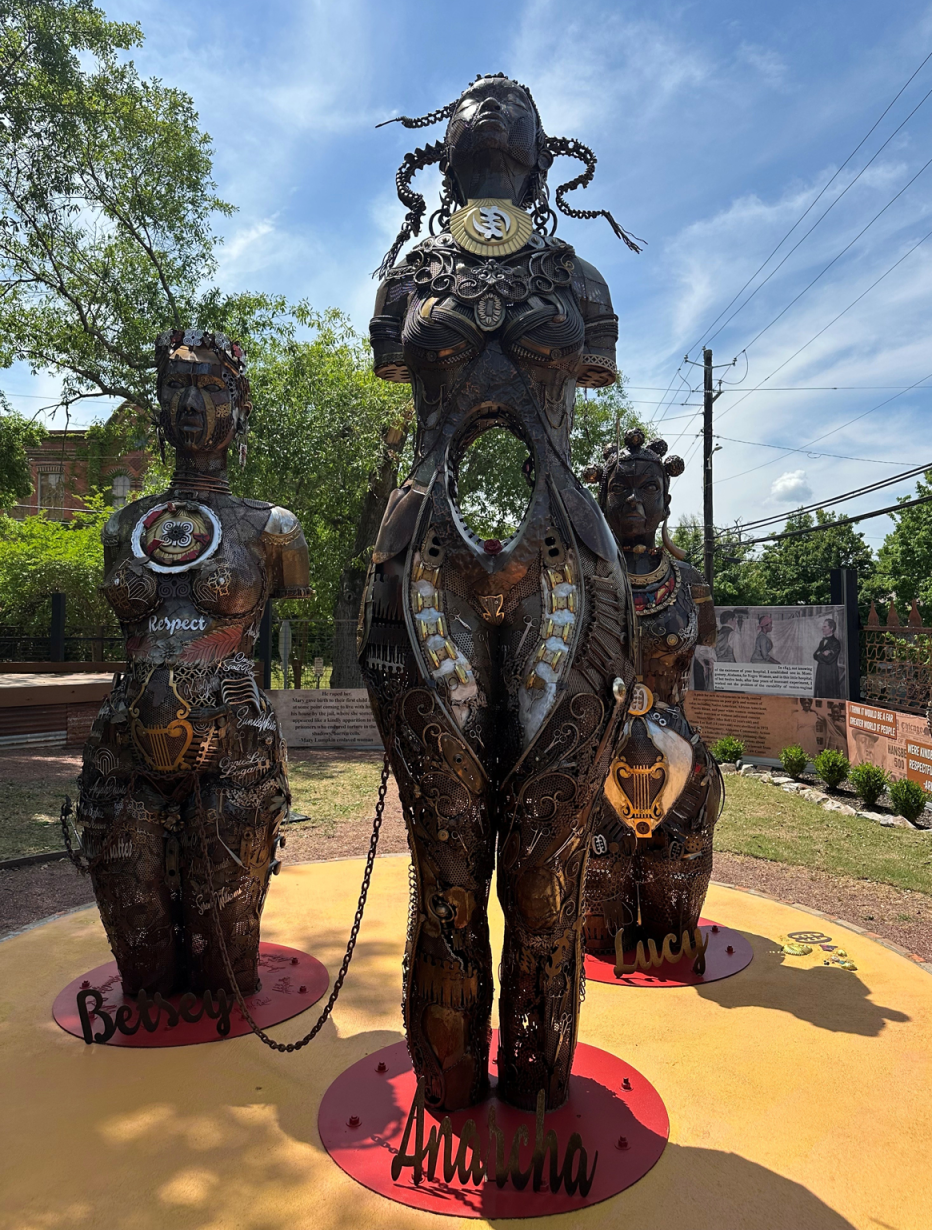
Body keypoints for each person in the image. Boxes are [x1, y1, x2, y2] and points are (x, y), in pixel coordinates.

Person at [361, 74, 638, 1111]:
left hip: (565, 567)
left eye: (511, 98)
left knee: (544, 852)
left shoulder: (577, 276)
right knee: (446, 850)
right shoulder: (409, 275)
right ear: (445, 148)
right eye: (475, 99)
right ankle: (445, 1081)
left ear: (542, 147)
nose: (492, 103)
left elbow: (590, 367)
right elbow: (400, 363)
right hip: (422, 561)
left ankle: (536, 1076)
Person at [75, 329, 310, 1000]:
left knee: (223, 967)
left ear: (241, 405)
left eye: (211, 386)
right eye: (176, 385)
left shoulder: (273, 528)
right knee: (142, 968)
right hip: (122, 751)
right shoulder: (123, 526)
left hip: (233, 751)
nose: (190, 402)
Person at [582, 430, 723, 955]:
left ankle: (670, 928)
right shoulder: (581, 580)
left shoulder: (690, 583)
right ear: (602, 499)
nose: (634, 501)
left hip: (678, 749)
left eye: (648, 489)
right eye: (621, 489)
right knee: (600, 878)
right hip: (596, 748)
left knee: (677, 878)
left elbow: (704, 639)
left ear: (665, 502)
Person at [813, 617, 843, 697]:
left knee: (829, 695)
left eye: (825, 626)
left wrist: (820, 654)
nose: (822, 628)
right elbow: (815, 655)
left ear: (831, 628)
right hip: (821, 672)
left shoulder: (836, 643)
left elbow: (829, 659)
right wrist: (822, 654)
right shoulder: (822, 642)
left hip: (830, 674)